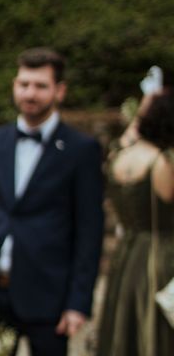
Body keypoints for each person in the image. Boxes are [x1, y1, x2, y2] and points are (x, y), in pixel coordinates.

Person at [0, 47, 104, 356]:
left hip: (49, 297)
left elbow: (90, 230)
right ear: (14, 85)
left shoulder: (82, 149)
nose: (29, 93)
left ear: (59, 91)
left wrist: (78, 303)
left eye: (40, 86)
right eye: (24, 84)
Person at [96, 68, 174, 356]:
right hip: (161, 254)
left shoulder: (119, 156)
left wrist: (144, 107)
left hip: (128, 253)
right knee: (155, 329)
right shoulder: (164, 163)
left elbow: (130, 135)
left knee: (123, 323)